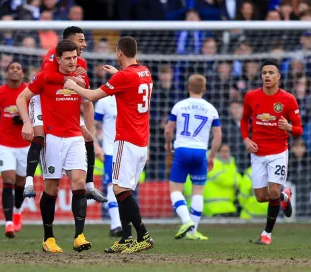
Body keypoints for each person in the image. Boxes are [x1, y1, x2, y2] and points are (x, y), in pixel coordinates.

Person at [64, 36, 154, 254]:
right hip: (142, 141)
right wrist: (118, 74)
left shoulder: (125, 77)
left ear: (119, 53)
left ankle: (143, 235)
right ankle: (125, 238)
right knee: (124, 190)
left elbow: (93, 95)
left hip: (127, 140)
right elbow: (131, 81)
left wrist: (73, 85)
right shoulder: (145, 72)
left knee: (119, 190)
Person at [16, 40, 92, 253]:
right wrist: (27, 122)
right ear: (57, 59)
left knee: (79, 183)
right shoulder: (45, 78)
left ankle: (79, 236)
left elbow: (88, 99)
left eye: (75, 57)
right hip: (53, 139)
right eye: (67, 58)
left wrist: (89, 129)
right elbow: (22, 98)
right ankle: (48, 238)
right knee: (52, 188)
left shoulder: (81, 77)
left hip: (74, 137)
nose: (72, 61)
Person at [23, 26, 107, 203]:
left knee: (88, 138)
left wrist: (78, 83)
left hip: (65, 103)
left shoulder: (81, 63)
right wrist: (71, 80)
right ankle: (28, 182)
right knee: (39, 134)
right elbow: (46, 76)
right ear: (68, 41)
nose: (84, 44)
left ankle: (90, 185)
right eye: (81, 40)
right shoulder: (53, 54)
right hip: (43, 98)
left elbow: (86, 97)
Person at [240, 59, 302, 245]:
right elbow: (244, 121)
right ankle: (285, 196)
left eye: (271, 72)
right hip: (258, 152)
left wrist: (289, 126)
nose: (267, 76)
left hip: (278, 152)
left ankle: (267, 234)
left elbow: (299, 130)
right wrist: (246, 139)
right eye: (264, 72)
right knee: (261, 198)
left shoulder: (288, 99)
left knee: (273, 191)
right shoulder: (251, 96)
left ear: (278, 76)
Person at [164, 74, 222, 241]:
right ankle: (193, 231)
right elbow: (217, 136)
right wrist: (211, 156)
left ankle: (186, 221)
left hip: (182, 150)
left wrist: (169, 145)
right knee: (198, 192)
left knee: (175, 190)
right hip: (200, 152)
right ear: (204, 89)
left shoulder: (180, 106)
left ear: (188, 88)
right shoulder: (211, 109)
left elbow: (168, 130)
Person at [0, 62, 29, 238]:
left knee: (20, 184)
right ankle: (8, 222)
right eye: (12, 68)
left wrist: (26, 120)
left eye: (19, 68)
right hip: (5, 144)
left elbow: (37, 112)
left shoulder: (29, 91)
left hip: (25, 143)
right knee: (8, 180)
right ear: (7, 72)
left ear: (23, 73)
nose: (15, 71)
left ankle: (18, 211)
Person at [94, 95, 122, 237]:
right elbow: (93, 124)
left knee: (125, 188)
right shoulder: (104, 102)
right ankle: (116, 224)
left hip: (128, 150)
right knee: (112, 187)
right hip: (111, 151)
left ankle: (119, 224)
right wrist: (95, 145)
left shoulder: (132, 98)